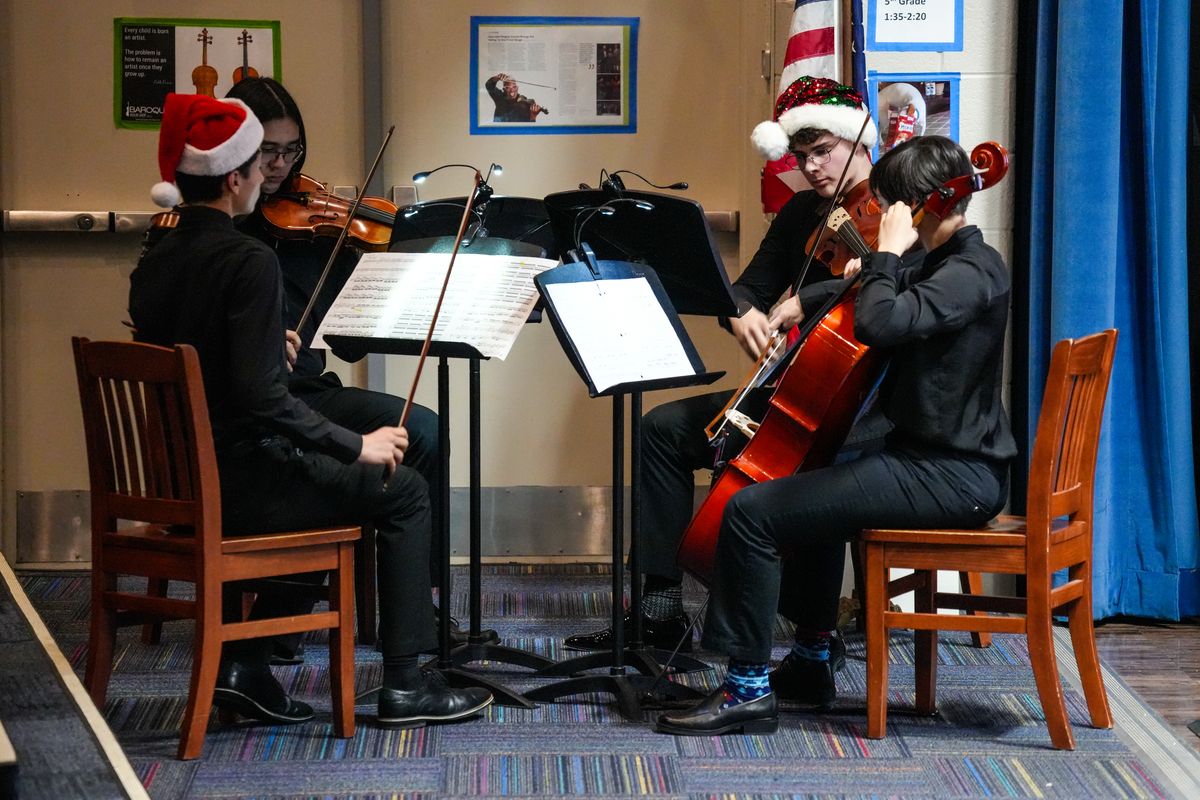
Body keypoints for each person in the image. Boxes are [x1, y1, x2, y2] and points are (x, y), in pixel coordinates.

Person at [130, 92, 493, 728]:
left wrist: (267, 342)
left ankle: (244, 664)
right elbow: (263, 399)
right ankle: (407, 685)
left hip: (191, 471)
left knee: (381, 459)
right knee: (402, 489)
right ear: (237, 176)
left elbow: (202, 355)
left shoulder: (157, 256)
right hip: (243, 480)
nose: (273, 173)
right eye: (259, 160)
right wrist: (358, 446)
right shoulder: (250, 259)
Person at [654, 134, 1017, 735]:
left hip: (953, 476)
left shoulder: (974, 271)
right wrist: (813, 296)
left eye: (892, 205)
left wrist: (886, 256)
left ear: (919, 206)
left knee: (752, 512)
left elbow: (879, 319)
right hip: (924, 461)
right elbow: (869, 290)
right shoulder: (947, 261)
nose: (887, 217)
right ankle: (810, 661)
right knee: (815, 482)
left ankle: (745, 689)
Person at [564, 77, 890, 669]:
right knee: (662, 429)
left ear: (855, 138)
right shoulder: (800, 212)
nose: (813, 168)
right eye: (802, 155)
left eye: (824, 151)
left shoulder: (895, 204)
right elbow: (748, 285)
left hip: (860, 403)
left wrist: (809, 294)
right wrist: (742, 312)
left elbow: (892, 283)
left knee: (784, 462)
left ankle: (811, 632)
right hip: (794, 385)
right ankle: (660, 608)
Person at [220, 77, 497, 657]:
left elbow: (347, 344)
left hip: (308, 392)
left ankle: (419, 605)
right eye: (267, 151)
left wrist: (367, 263)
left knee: (421, 429)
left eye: (292, 150)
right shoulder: (221, 231)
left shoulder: (314, 226)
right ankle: (283, 611)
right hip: (259, 404)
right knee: (327, 450)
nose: (279, 166)